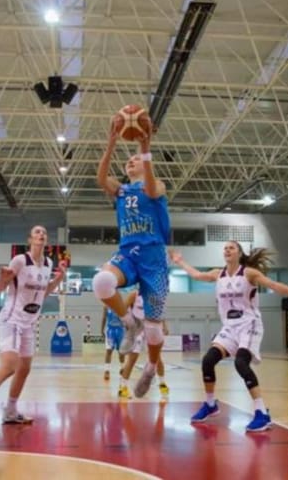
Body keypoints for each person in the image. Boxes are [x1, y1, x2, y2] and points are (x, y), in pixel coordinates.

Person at [170, 243, 288, 432]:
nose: (227, 250)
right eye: (225, 248)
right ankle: (210, 404)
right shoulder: (218, 274)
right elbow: (197, 275)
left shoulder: (249, 273)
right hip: (229, 327)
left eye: (232, 248)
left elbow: (274, 285)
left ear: (240, 253)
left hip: (249, 324)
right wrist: (180, 261)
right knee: (208, 360)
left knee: (241, 363)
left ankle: (261, 413)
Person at [0, 225, 66, 438]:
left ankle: (10, 410)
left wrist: (58, 279)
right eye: (37, 232)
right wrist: (3, 278)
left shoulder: (48, 264)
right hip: (11, 320)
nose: (41, 234)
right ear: (30, 239)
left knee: (24, 368)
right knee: (9, 365)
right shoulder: (19, 261)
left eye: (44, 233)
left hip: (29, 323)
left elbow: (43, 293)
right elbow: (0, 288)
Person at [92, 116, 170, 399]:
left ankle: (149, 369)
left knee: (154, 330)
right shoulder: (121, 191)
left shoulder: (157, 185)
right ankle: (128, 322)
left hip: (154, 259)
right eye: (129, 160)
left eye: (136, 159)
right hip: (128, 253)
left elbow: (150, 188)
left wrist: (145, 147)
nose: (131, 161)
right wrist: (111, 143)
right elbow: (101, 178)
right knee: (101, 282)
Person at [117, 290, 169, 401]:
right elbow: (122, 309)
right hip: (138, 329)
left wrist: (164, 326)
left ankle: (162, 384)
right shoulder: (134, 295)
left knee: (157, 358)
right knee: (132, 359)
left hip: (151, 327)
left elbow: (159, 312)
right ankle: (123, 387)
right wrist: (127, 323)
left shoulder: (155, 295)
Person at [101, 305, 125, 382]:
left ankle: (122, 368)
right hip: (110, 330)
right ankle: (107, 371)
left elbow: (125, 319)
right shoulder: (106, 306)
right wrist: (101, 329)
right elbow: (104, 318)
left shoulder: (120, 304)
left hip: (120, 330)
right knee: (109, 350)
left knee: (121, 351)